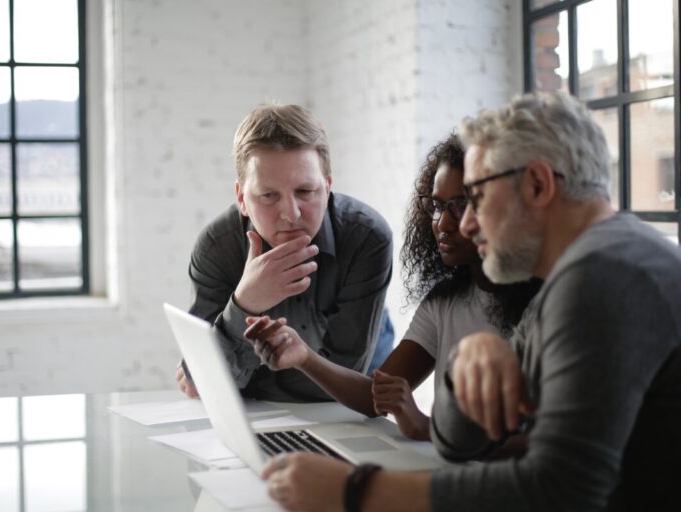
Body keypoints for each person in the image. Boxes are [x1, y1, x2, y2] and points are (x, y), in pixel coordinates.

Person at [257, 91, 681, 511]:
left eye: (475, 198)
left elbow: (558, 489)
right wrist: (467, 365)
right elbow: (459, 442)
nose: (469, 223)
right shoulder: (573, 277)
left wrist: (355, 492)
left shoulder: (605, 277)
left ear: (536, 184)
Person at [244, 134, 539, 440]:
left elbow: (549, 444)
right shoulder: (445, 301)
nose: (442, 223)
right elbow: (376, 397)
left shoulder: (546, 306)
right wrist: (303, 356)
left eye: (461, 205)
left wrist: (429, 429)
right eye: (436, 205)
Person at [176, 104, 394, 402]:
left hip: (356, 408)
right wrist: (245, 303)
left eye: (305, 192)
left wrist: (237, 379)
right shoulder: (218, 246)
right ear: (241, 198)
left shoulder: (367, 238)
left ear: (327, 188)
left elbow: (345, 380)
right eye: (268, 195)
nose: (291, 214)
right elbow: (202, 383)